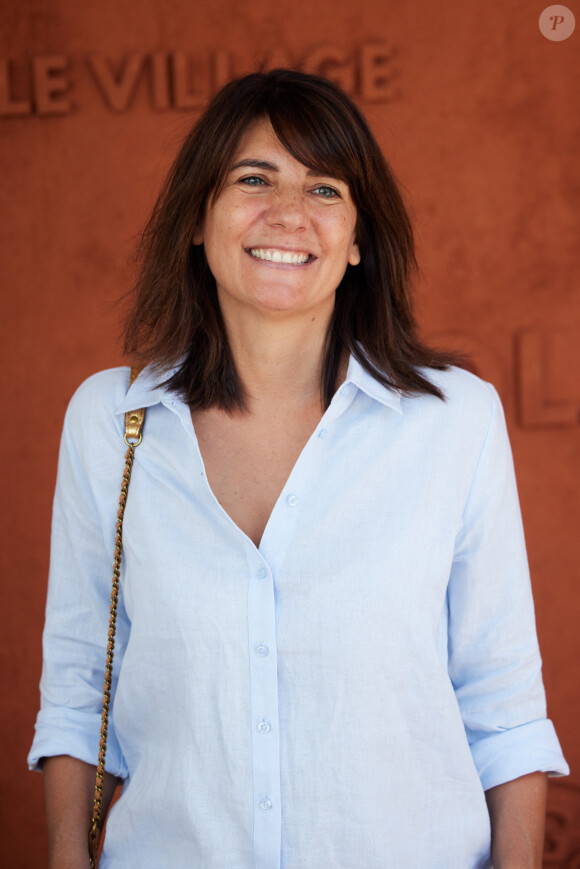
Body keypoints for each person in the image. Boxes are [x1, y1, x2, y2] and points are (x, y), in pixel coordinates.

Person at [29, 69, 568, 869]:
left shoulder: (456, 421)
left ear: (357, 241)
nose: (288, 213)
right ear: (197, 219)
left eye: (324, 188)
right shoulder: (113, 423)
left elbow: (503, 704)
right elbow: (80, 692)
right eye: (253, 178)